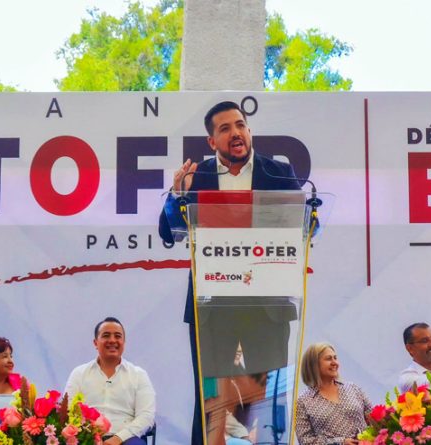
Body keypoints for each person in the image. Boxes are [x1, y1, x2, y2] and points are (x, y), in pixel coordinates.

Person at [158, 100, 303, 444]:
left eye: (240, 125)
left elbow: (303, 226)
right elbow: (169, 232)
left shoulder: (278, 173)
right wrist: (178, 194)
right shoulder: (199, 176)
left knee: (266, 403)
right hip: (212, 308)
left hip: (266, 307)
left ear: (249, 130)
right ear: (212, 141)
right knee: (212, 403)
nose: (236, 133)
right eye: (225, 129)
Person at [64, 317, 156, 445]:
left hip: (126, 439)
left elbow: (146, 416)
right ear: (95, 343)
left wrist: (118, 438)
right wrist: (90, 436)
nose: (112, 340)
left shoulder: (139, 375)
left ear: (124, 342)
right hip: (86, 437)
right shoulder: (79, 373)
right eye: (106, 335)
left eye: (117, 336)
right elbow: (68, 410)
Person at [295, 342, 371, 445]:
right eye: (328, 359)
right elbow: (306, 441)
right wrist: (339, 442)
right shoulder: (303, 401)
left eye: (335, 358)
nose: (335, 362)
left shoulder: (352, 388)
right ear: (314, 364)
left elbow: (374, 418)